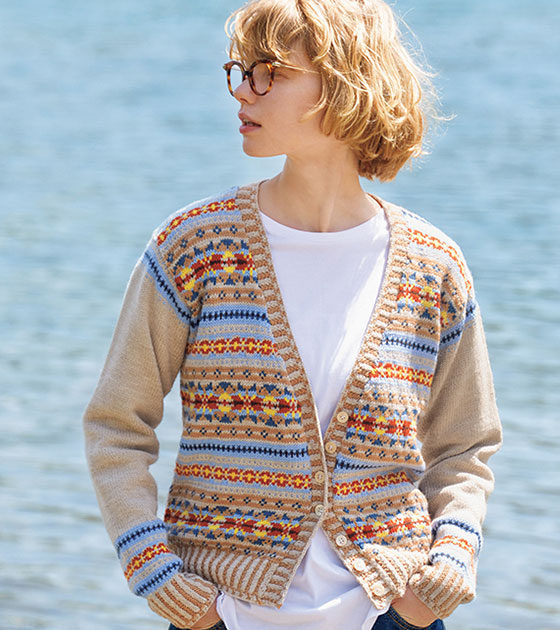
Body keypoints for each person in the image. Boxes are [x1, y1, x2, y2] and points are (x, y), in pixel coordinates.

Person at [83, 1, 502, 629]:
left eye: (268, 74)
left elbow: (465, 445)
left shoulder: (432, 266)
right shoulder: (195, 248)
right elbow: (116, 424)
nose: (241, 92)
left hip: (391, 612)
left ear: (343, 82)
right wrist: (153, 568)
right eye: (240, 71)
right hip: (220, 612)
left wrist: (450, 561)